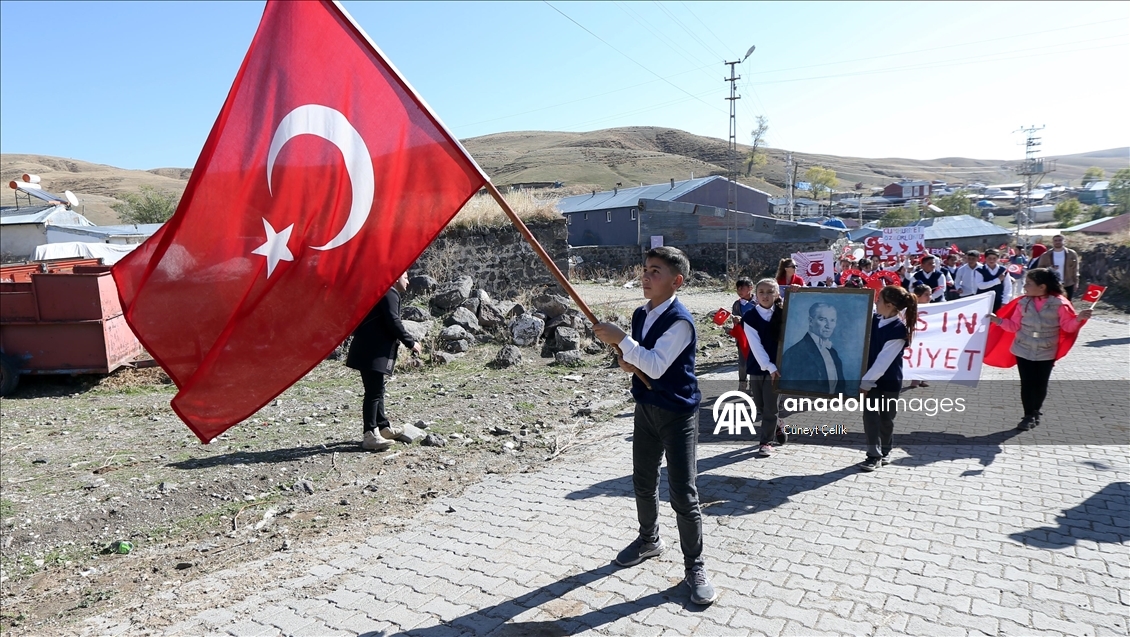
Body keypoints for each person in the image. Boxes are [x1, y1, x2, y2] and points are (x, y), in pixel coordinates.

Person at [592, 246, 716, 606]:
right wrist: (626, 360)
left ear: (676, 281)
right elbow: (638, 362)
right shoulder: (639, 314)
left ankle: (695, 566)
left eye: (656, 271)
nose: (646, 276)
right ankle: (649, 540)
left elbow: (657, 366)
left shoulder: (680, 321)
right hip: (646, 408)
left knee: (683, 493)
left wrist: (622, 341)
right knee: (643, 481)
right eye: (645, 269)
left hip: (678, 414)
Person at [988, 268, 1091, 431]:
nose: (1025, 287)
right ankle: (1028, 415)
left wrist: (1078, 319)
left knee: (1040, 384)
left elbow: (1067, 327)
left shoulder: (1060, 304)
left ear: (1042, 286)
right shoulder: (1023, 303)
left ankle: (1036, 412)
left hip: (1046, 350)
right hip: (1023, 348)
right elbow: (1014, 326)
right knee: (1027, 384)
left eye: (1028, 284)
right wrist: (998, 320)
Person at [346, 271, 421, 451]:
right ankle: (370, 434)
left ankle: (382, 427)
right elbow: (393, 321)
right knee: (373, 392)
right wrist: (411, 343)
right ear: (396, 277)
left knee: (377, 389)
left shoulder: (385, 292)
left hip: (370, 350)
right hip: (371, 351)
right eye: (405, 277)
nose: (408, 281)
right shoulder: (389, 292)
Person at [858, 286, 918, 471]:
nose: (876, 302)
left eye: (879, 299)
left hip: (888, 382)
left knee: (886, 418)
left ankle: (885, 449)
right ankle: (873, 455)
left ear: (890, 305)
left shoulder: (898, 330)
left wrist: (866, 383)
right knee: (870, 418)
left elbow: (883, 362)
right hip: (870, 380)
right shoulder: (874, 319)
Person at [742, 278, 788, 458]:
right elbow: (755, 345)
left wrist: (800, 294)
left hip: (777, 368)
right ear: (756, 294)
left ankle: (765, 442)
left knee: (770, 407)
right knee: (760, 405)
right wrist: (767, 366)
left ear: (777, 294)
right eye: (761, 292)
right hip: (757, 366)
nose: (765, 296)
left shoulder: (784, 313)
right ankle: (778, 424)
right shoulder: (750, 317)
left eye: (770, 292)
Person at [779, 302, 845, 396]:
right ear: (811, 321)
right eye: (822, 319)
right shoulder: (795, 353)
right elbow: (789, 389)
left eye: (832, 320)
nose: (828, 325)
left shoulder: (832, 352)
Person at [1033, 235, 1081, 300]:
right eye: (1055, 240)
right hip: (1052, 283)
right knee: (1053, 302)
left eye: (1060, 240)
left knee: (1067, 302)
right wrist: (1049, 269)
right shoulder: (1046, 255)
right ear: (1052, 242)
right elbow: (1039, 269)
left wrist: (1076, 282)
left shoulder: (1071, 254)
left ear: (1064, 241)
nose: (1057, 242)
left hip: (1068, 283)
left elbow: (1075, 269)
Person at [731, 277, 755, 391]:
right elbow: (734, 317)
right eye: (738, 289)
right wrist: (735, 319)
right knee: (742, 362)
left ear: (750, 288)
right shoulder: (737, 304)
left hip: (756, 337)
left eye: (742, 288)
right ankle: (742, 384)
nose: (739, 291)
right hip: (742, 337)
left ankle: (754, 385)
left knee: (755, 360)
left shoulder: (758, 302)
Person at [976, 248, 1011, 313]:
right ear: (985, 258)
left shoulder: (1003, 270)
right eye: (989, 258)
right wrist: (997, 280)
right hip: (983, 300)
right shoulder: (979, 270)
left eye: (994, 258)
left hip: (998, 300)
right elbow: (980, 285)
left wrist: (1005, 301)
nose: (992, 260)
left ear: (998, 259)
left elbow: (1008, 287)